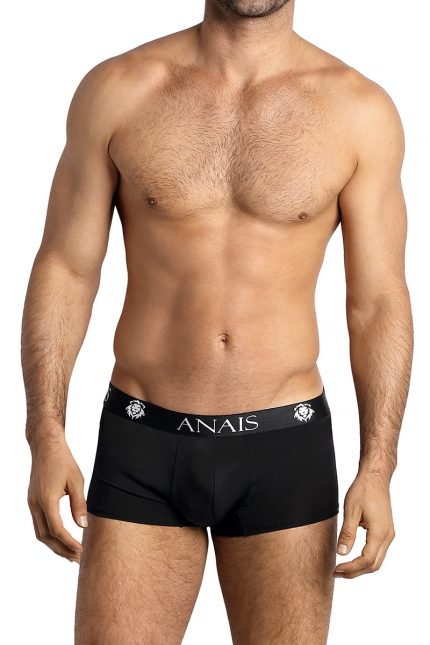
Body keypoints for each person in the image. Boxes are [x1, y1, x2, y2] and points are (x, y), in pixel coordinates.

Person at [21, 1, 413, 643]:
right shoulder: (119, 89)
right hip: (143, 439)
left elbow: (377, 302)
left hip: (285, 443)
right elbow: (66, 267)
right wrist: (45, 432)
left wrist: (379, 466)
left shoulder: (358, 111)